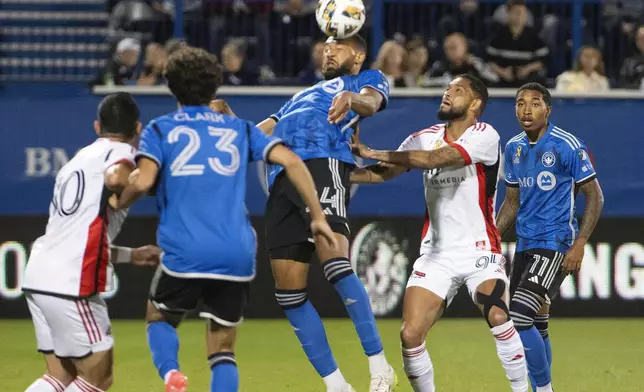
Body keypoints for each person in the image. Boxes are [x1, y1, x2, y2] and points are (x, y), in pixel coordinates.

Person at [110, 46, 337, 392]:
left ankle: (172, 374)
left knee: (160, 317)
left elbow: (141, 181)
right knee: (223, 349)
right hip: (237, 253)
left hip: (185, 250)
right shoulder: (239, 129)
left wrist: (116, 201)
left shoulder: (161, 129)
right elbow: (291, 161)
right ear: (214, 86)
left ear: (171, 86)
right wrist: (317, 216)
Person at [221, 35, 396, 392]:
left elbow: (372, 104)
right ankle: (336, 384)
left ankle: (379, 365)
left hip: (322, 162)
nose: (328, 51)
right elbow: (257, 137)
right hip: (282, 178)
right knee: (289, 292)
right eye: (326, 46)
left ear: (358, 56)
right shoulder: (299, 97)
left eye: (339, 47)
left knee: (334, 261)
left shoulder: (367, 79)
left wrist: (352, 98)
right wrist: (230, 122)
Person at [350, 74, 530, 392]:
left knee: (499, 317)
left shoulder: (484, 134)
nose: (448, 93)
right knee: (410, 335)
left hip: (479, 250)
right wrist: (345, 176)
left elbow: (436, 159)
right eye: (447, 89)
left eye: (457, 90)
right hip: (436, 255)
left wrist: (373, 151)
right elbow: (385, 173)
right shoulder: (423, 136)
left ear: (475, 104)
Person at [22, 92, 162, 392]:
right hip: (71, 283)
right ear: (138, 128)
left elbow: (75, 234)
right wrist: (126, 188)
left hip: (39, 275)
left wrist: (129, 255)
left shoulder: (75, 162)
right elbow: (118, 175)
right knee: (98, 379)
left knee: (59, 377)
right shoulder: (122, 155)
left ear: (97, 127)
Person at [496, 83, 604, 392]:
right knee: (538, 323)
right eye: (520, 103)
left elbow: (595, 196)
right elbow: (511, 202)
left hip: (555, 243)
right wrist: (491, 236)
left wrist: (580, 243)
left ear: (548, 110)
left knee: (517, 316)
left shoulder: (567, 144)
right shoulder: (513, 147)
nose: (526, 110)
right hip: (525, 245)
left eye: (534, 103)